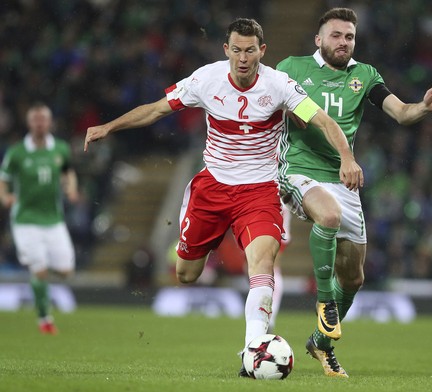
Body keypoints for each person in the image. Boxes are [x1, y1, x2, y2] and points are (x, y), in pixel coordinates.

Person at [84, 18, 363, 376]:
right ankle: (245, 331)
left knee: (262, 267)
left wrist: (347, 156)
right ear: (226, 50)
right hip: (212, 188)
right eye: (237, 50)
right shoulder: (206, 79)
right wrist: (109, 126)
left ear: (262, 51)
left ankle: (252, 353)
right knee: (186, 274)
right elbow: (156, 109)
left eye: (250, 50)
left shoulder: (279, 85)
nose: (243, 58)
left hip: (261, 191)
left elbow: (323, 120)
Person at [277, 8, 432, 377]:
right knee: (328, 216)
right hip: (298, 170)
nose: (343, 42)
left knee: (354, 278)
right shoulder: (291, 68)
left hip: (343, 179)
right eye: (336, 35)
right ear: (318, 39)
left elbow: (402, 113)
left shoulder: (365, 76)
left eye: (349, 37)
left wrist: (424, 106)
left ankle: (320, 343)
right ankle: (325, 303)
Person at [0, 103, 79, 335]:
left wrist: (71, 188)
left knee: (65, 271)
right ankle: (44, 318)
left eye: (43, 119)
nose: (39, 123)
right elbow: (3, 179)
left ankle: (39, 274)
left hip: (53, 219)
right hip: (25, 220)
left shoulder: (61, 149)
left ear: (50, 122)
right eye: (35, 119)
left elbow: (68, 172)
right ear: (29, 123)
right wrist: (5, 197)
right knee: (40, 269)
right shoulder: (17, 152)